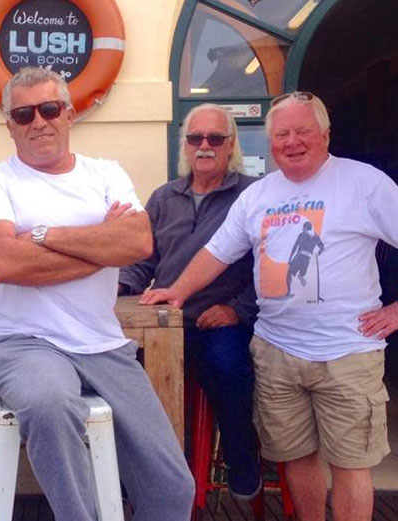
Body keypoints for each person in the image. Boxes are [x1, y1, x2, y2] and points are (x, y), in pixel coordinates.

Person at [143, 92, 398, 521]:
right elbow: (217, 252)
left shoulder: (363, 181)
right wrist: (178, 292)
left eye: (303, 131)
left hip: (347, 351)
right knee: (296, 457)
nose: (292, 141)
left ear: (324, 134)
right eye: (281, 134)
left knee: (350, 463)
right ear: (270, 143)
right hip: (276, 351)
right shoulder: (258, 195)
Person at [0, 67, 194, 521]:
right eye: (24, 114)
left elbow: (138, 244)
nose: (38, 122)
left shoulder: (105, 172)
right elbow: (4, 264)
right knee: (50, 405)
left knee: (172, 488)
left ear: (70, 115)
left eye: (49, 109)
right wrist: (100, 246)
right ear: (9, 124)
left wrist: (40, 234)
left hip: (105, 345)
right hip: (25, 344)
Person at [119, 103, 261, 500]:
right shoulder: (164, 196)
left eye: (215, 138)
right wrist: (118, 286)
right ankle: (149, 474)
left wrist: (238, 309)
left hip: (221, 319)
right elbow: (143, 260)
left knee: (226, 367)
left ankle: (241, 455)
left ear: (231, 144)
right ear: (185, 144)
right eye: (196, 138)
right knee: (122, 376)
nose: (204, 146)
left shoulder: (251, 195)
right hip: (164, 322)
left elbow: (267, 265)